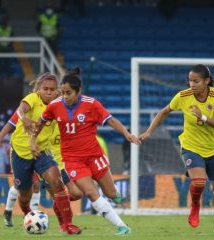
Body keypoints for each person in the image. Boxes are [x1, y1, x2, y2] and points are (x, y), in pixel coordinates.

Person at [31, 67, 140, 236]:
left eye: (69, 93)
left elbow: (110, 121)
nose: (65, 97)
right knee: (90, 193)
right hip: (73, 160)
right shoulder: (54, 106)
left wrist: (127, 134)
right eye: (63, 93)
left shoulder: (92, 104)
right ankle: (122, 226)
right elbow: (40, 122)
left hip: (94, 156)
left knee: (111, 194)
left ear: (78, 91)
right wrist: (32, 140)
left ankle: (115, 196)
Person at [139, 64, 214, 234]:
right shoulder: (183, 96)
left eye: (196, 81)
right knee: (199, 181)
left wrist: (201, 116)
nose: (192, 84)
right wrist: (149, 131)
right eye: (190, 81)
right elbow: (164, 111)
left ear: (207, 81)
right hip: (191, 146)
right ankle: (195, 206)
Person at [9, 72, 81, 234]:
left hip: (42, 150)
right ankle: (28, 214)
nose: (48, 92)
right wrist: (24, 119)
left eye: (52, 89)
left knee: (57, 183)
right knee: (25, 195)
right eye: (45, 89)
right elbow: (21, 109)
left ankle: (67, 225)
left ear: (57, 91)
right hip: (21, 151)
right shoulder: (33, 98)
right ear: (39, 89)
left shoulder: (59, 105)